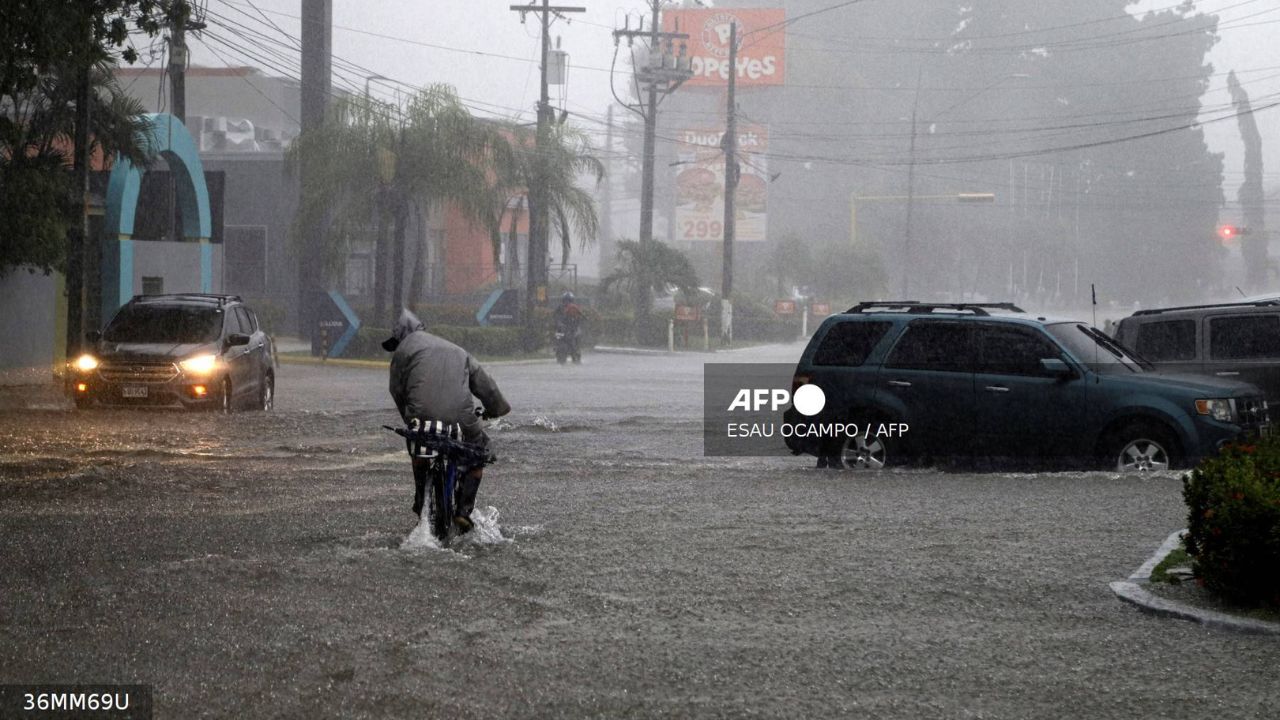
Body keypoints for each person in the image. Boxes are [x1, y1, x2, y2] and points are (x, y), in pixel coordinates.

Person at [383, 309, 511, 531]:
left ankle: (421, 499)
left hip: (422, 418)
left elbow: (396, 390)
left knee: (417, 444)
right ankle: (463, 511)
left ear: (402, 335)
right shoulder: (458, 351)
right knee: (478, 456)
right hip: (462, 420)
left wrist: (410, 418)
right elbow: (486, 386)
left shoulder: (403, 350)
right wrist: (496, 409)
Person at [552, 291, 583, 362]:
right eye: (565, 300)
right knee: (557, 337)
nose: (567, 302)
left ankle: (576, 352)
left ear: (572, 300)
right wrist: (558, 323)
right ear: (563, 300)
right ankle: (557, 348)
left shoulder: (575, 308)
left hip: (572, 329)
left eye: (569, 300)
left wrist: (575, 324)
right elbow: (555, 316)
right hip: (561, 328)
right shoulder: (559, 308)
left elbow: (580, 317)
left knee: (576, 336)